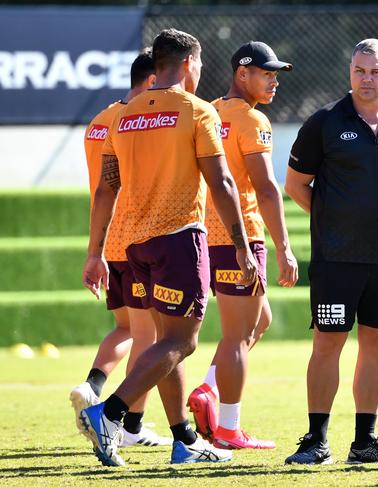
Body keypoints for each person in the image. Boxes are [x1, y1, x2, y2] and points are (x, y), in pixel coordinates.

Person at [79, 28, 257, 467]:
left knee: (165, 339)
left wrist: (94, 251)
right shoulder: (197, 112)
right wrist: (241, 245)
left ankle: (184, 439)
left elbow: (106, 189)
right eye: (199, 65)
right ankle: (111, 413)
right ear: (189, 64)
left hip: (133, 245)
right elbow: (222, 180)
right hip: (179, 237)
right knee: (183, 339)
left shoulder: (122, 116)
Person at [284, 38, 378, 465]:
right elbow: (295, 185)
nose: (367, 79)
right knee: (327, 344)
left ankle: (365, 443)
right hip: (336, 258)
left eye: (375, 71)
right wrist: (334, 218)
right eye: (360, 71)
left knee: (377, 347)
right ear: (350, 73)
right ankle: (316, 441)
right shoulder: (324, 121)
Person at [187, 41, 298, 450]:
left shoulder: (209, 111)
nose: (273, 81)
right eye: (265, 74)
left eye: (275, 75)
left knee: (259, 321)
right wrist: (284, 246)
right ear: (241, 74)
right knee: (237, 337)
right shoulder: (253, 120)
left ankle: (208, 390)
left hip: (205, 235)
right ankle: (229, 429)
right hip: (242, 238)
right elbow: (267, 189)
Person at [70, 47, 171, 449]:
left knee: (126, 328)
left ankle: (91, 384)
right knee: (151, 337)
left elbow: (101, 183)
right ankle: (129, 424)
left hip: (107, 238)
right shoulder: (139, 119)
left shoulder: (99, 120)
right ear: (151, 80)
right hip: (136, 236)